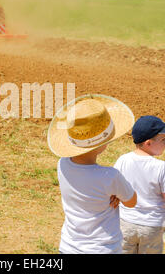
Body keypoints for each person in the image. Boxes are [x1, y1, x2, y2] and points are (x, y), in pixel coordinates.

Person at [47, 94, 137, 254]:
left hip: (69, 247)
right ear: (102, 145)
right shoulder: (110, 176)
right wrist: (117, 194)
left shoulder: (62, 165)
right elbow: (131, 201)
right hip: (103, 249)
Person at [114, 116, 165, 254]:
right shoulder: (160, 167)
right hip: (151, 227)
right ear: (148, 143)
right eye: (163, 140)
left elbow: (114, 189)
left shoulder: (122, 160)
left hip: (125, 223)